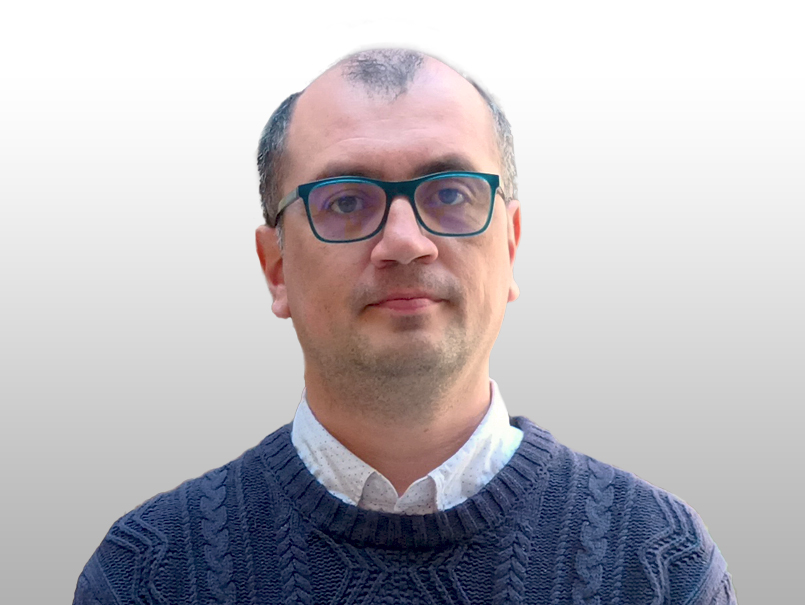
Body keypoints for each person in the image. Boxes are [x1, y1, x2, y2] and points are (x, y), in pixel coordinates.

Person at [73, 48, 737, 605]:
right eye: (345, 202)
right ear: (276, 268)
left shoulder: (656, 563)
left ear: (510, 246)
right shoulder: (149, 573)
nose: (404, 242)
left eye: (449, 194)